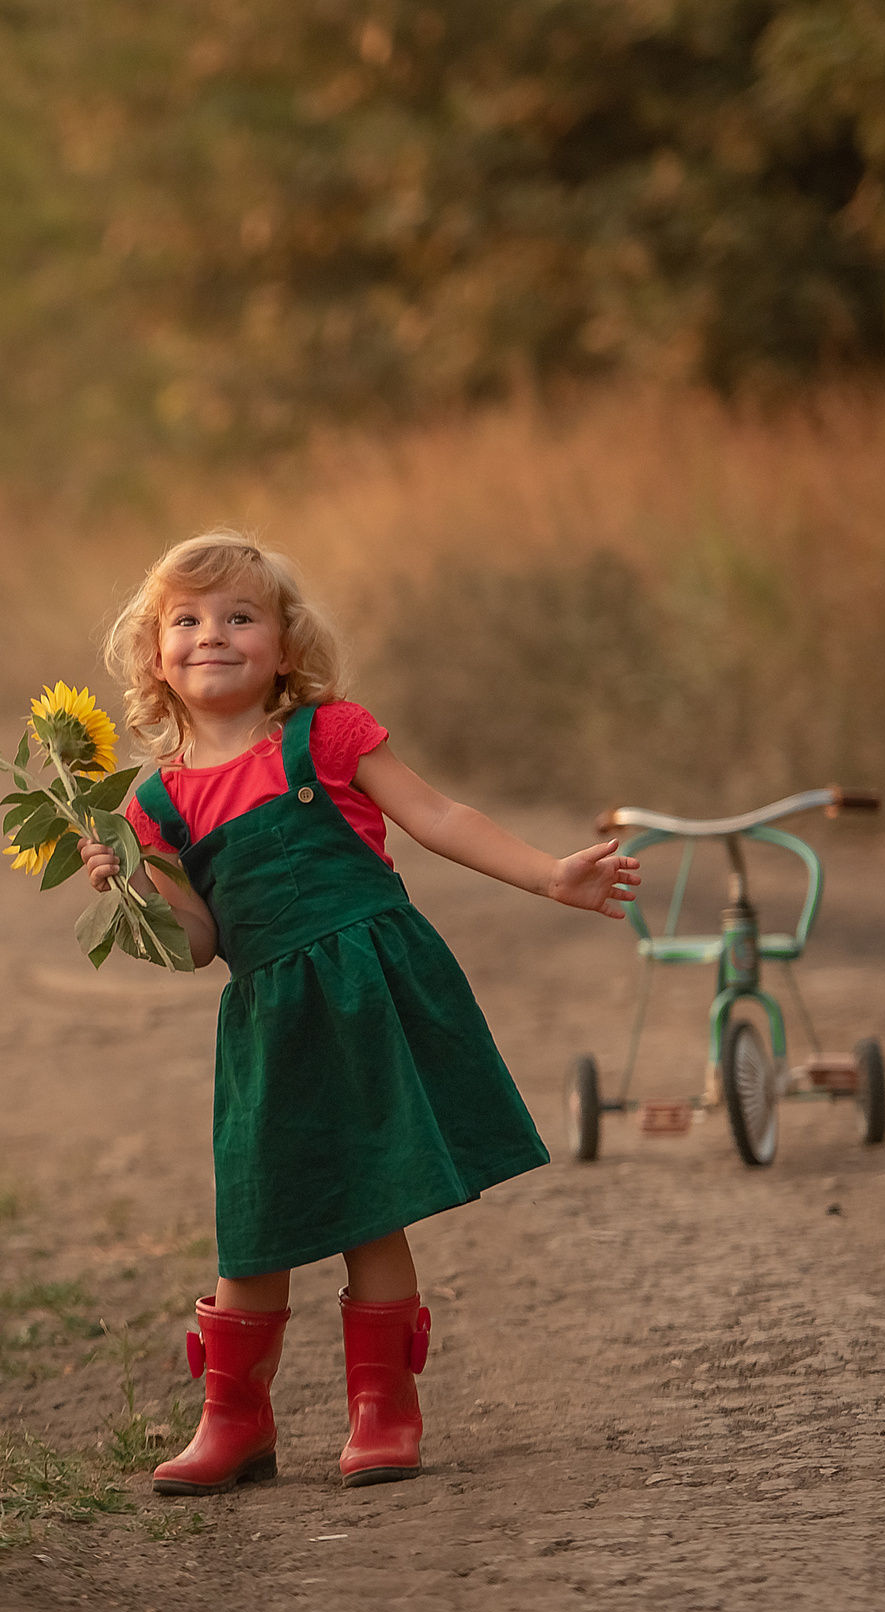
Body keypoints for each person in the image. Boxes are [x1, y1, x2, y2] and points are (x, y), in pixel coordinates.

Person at [80, 529, 637, 1493]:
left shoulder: (326, 736)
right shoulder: (154, 805)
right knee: (255, 1223)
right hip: (269, 1020)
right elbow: (201, 942)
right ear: (156, 660)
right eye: (188, 620)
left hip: (369, 989)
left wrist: (553, 875)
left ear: (284, 647)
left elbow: (441, 818)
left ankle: (384, 1410)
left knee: (372, 1205)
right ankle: (235, 1418)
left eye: (241, 616)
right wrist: (131, 879)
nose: (213, 634)